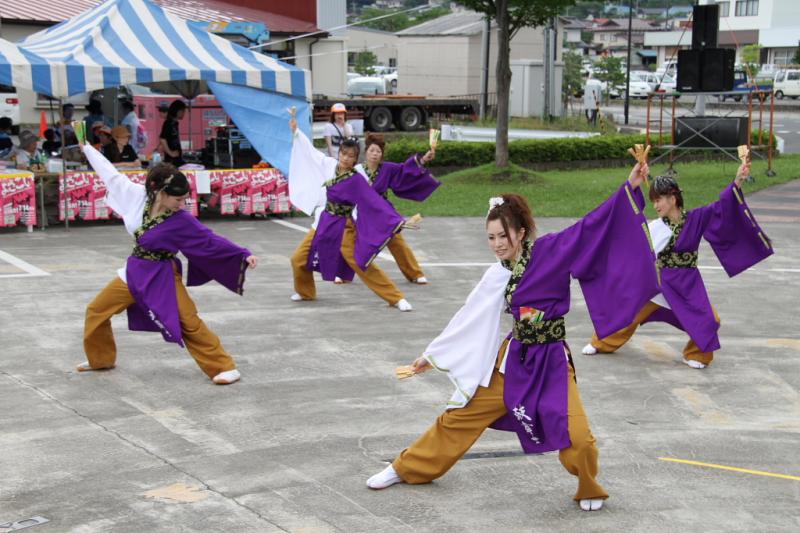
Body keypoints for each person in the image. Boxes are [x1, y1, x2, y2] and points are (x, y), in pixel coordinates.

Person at [366, 164, 660, 512]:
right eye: (490, 238)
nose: (497, 244)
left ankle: (589, 485)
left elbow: (590, 225)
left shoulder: (551, 250)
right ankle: (406, 467)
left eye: (502, 236)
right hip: (514, 359)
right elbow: (468, 317)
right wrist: (430, 356)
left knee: (579, 438)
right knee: (461, 415)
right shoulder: (497, 274)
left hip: (550, 361)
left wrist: (629, 186)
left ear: (520, 232)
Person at [77, 143, 258, 384]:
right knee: (97, 310)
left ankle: (223, 367)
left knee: (188, 320)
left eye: (185, 199)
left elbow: (209, 239)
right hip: (134, 270)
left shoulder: (181, 219)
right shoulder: (136, 196)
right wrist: (87, 147)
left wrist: (241, 253)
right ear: (160, 192)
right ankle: (100, 359)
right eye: (178, 199)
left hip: (162, 273)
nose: (182, 204)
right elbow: (108, 172)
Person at [582, 161, 773, 369]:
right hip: (659, 283)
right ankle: (600, 343)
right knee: (628, 314)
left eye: (659, 200)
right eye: (653, 201)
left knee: (710, 320)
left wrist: (737, 180)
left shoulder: (696, 219)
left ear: (673, 199)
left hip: (687, 284)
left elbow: (722, 207)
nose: (655, 205)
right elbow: (630, 241)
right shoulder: (654, 227)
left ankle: (696, 354)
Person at [288, 116, 416, 311]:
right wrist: (297, 132)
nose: (346, 158)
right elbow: (310, 152)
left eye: (351, 156)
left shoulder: (357, 179)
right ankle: (306, 292)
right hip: (324, 222)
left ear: (356, 159)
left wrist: (398, 221)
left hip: (344, 226)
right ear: (339, 153)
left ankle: (396, 298)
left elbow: (374, 203)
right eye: (344, 154)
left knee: (361, 263)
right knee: (298, 259)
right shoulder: (328, 165)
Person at [355, 132, 439, 284]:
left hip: (383, 213)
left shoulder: (387, 169)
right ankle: (341, 273)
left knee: (396, 240)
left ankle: (415, 273)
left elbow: (405, 170)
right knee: (351, 242)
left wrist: (424, 159)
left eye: (378, 151)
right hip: (362, 213)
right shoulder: (356, 171)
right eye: (372, 150)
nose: (375, 154)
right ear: (365, 152)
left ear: (382, 155)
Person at [159, 100, 186, 167]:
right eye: (183, 111)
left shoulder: (175, 123)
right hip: (171, 161)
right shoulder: (168, 123)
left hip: (177, 158)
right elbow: (162, 139)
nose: (184, 114)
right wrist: (170, 153)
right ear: (178, 111)